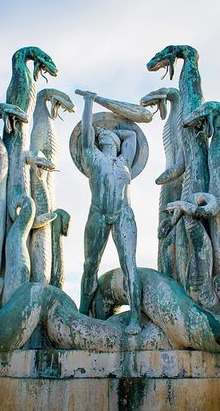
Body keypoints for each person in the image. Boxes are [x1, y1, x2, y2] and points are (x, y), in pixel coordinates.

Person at [77, 90, 142, 335]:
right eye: (100, 134)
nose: (103, 136)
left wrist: (113, 128)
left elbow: (132, 134)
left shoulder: (125, 160)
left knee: (129, 265)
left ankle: (135, 318)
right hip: (98, 213)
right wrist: (88, 103)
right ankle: (83, 313)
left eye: (108, 136)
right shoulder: (93, 157)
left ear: (117, 143)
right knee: (90, 264)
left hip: (123, 214)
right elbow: (86, 131)